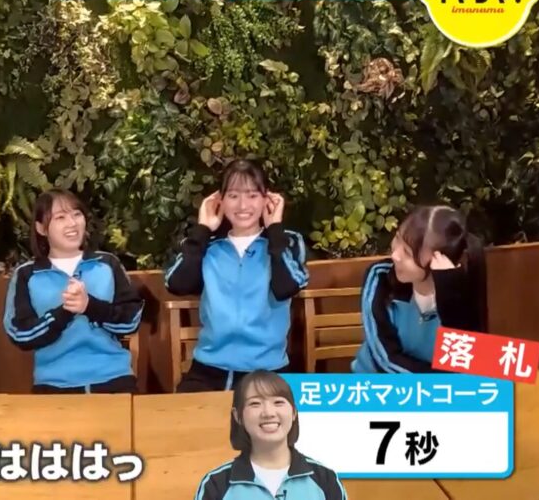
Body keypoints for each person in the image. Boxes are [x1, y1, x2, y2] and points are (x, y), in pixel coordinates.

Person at [165, 159, 309, 392]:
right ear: (219, 200)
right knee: (180, 414)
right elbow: (177, 284)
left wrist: (274, 229)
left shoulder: (286, 242)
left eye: (252, 195)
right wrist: (202, 230)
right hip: (208, 370)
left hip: (267, 370)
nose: (243, 205)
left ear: (267, 199)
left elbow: (286, 287)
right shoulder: (206, 246)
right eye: (233, 196)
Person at [3, 189, 143, 393]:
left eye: (77, 214)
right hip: (53, 384)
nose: (72, 223)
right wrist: (64, 312)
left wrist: (90, 306)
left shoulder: (107, 264)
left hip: (113, 377)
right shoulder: (27, 275)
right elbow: (21, 335)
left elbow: (131, 322)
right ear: (41, 228)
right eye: (60, 217)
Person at [351, 205, 487, 373]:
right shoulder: (380, 277)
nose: (395, 255)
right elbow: (385, 360)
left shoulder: (459, 294)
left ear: (440, 259)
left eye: (408, 253)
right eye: (397, 238)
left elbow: (467, 362)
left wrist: (449, 297)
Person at [194, 370, 348, 500]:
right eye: (255, 403)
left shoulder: (325, 479)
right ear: (238, 416)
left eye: (278, 402)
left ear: (294, 412)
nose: (268, 413)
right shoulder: (216, 484)